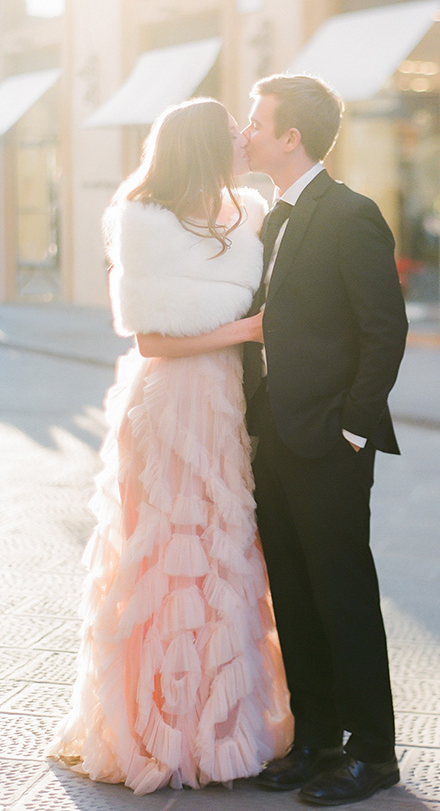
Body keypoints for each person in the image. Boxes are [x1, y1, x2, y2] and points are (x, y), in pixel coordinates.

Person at [48, 98, 292, 795]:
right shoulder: (144, 219)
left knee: (224, 553)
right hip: (172, 399)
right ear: (201, 147)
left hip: (225, 400)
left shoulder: (247, 210)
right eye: (232, 133)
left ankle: (220, 726)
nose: (246, 139)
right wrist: (245, 333)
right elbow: (150, 337)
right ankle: (161, 731)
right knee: (168, 554)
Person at [242, 74, 408, 806]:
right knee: (296, 596)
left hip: (329, 442)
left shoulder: (351, 214)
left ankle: (373, 755)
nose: (244, 131)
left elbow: (385, 332)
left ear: (291, 137)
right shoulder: (269, 219)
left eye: (256, 121)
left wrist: (350, 426)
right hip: (273, 437)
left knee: (342, 595)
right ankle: (316, 742)